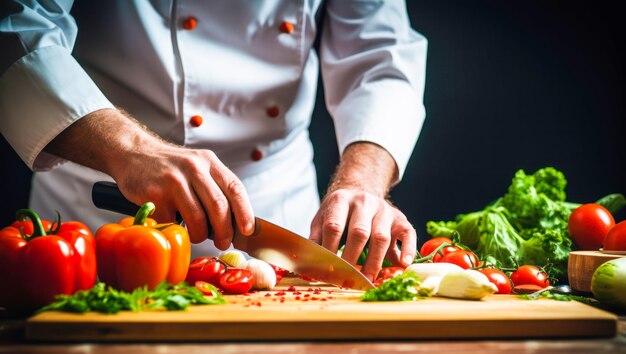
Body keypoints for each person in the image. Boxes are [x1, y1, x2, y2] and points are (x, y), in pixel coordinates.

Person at [0, 0, 427, 281]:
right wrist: (131, 149)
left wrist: (361, 181)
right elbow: (15, 26)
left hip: (278, 217)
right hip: (100, 221)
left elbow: (380, 58)